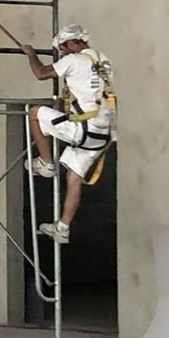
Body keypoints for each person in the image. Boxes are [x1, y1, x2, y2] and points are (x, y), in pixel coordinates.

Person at [22, 24, 116, 244]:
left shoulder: (74, 60)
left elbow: (41, 73)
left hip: (83, 128)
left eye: (64, 47)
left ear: (74, 43)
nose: (64, 51)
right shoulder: (103, 60)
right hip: (102, 133)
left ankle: (46, 163)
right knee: (74, 176)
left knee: (34, 113)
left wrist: (31, 54)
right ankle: (62, 228)